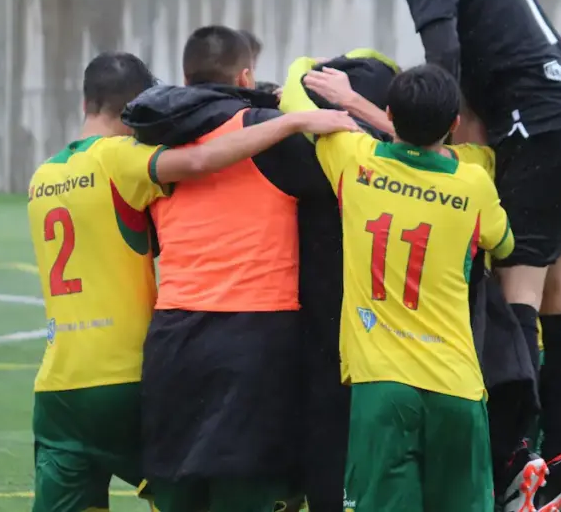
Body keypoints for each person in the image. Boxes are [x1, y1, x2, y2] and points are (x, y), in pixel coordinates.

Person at [317, 0, 561, 512]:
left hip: (542, 132)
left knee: (517, 295)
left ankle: (515, 458)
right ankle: (560, 453)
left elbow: (442, 82)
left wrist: (357, 106)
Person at [26, 51, 355, 512]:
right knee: (211, 487)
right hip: (122, 376)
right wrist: (288, 121)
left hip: (57, 386)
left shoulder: (44, 176)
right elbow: (200, 161)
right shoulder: (119, 157)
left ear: (85, 103)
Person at [130, 27, 360, 512]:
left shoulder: (153, 135)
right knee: (250, 491)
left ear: (187, 74)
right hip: (255, 333)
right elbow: (349, 180)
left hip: (173, 333)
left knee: (181, 492)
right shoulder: (264, 128)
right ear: (246, 74)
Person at [313, 64, 513, 512]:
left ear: (386, 112)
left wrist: (342, 95)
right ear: (454, 125)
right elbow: (504, 242)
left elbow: (292, 93)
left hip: (381, 386)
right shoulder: (473, 181)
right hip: (455, 385)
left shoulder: (354, 158)